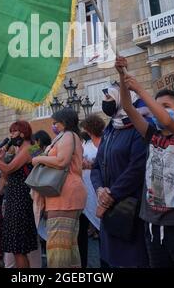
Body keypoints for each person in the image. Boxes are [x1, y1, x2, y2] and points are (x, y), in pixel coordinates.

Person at [116, 56, 174, 268]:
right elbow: (128, 107)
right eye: (155, 107)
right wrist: (123, 76)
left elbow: (167, 120)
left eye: (165, 106)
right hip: (152, 227)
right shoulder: (151, 134)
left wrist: (141, 90)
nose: (157, 111)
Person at [91, 84, 149, 268]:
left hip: (130, 208)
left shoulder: (138, 127)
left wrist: (111, 195)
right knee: (111, 260)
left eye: (109, 98)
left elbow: (137, 168)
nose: (105, 103)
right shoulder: (111, 129)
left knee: (132, 260)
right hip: (110, 208)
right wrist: (100, 190)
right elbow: (97, 167)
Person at [32, 108, 87, 268]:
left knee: (58, 250)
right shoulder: (68, 136)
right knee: (68, 248)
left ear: (64, 122)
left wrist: (39, 159)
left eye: (55, 122)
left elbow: (62, 161)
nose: (53, 125)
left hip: (64, 195)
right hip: (65, 195)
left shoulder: (69, 136)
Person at [0, 121, 38, 269]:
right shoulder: (19, 149)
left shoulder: (28, 149)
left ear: (23, 133)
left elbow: (9, 168)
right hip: (14, 199)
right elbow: (6, 172)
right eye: (10, 132)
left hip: (21, 200)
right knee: (17, 248)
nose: (10, 135)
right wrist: (0, 157)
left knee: (19, 248)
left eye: (14, 132)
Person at [78, 114, 105, 268]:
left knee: (104, 231)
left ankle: (105, 263)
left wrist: (92, 164)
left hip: (100, 189)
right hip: (85, 190)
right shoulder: (85, 145)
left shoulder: (105, 142)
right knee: (81, 231)